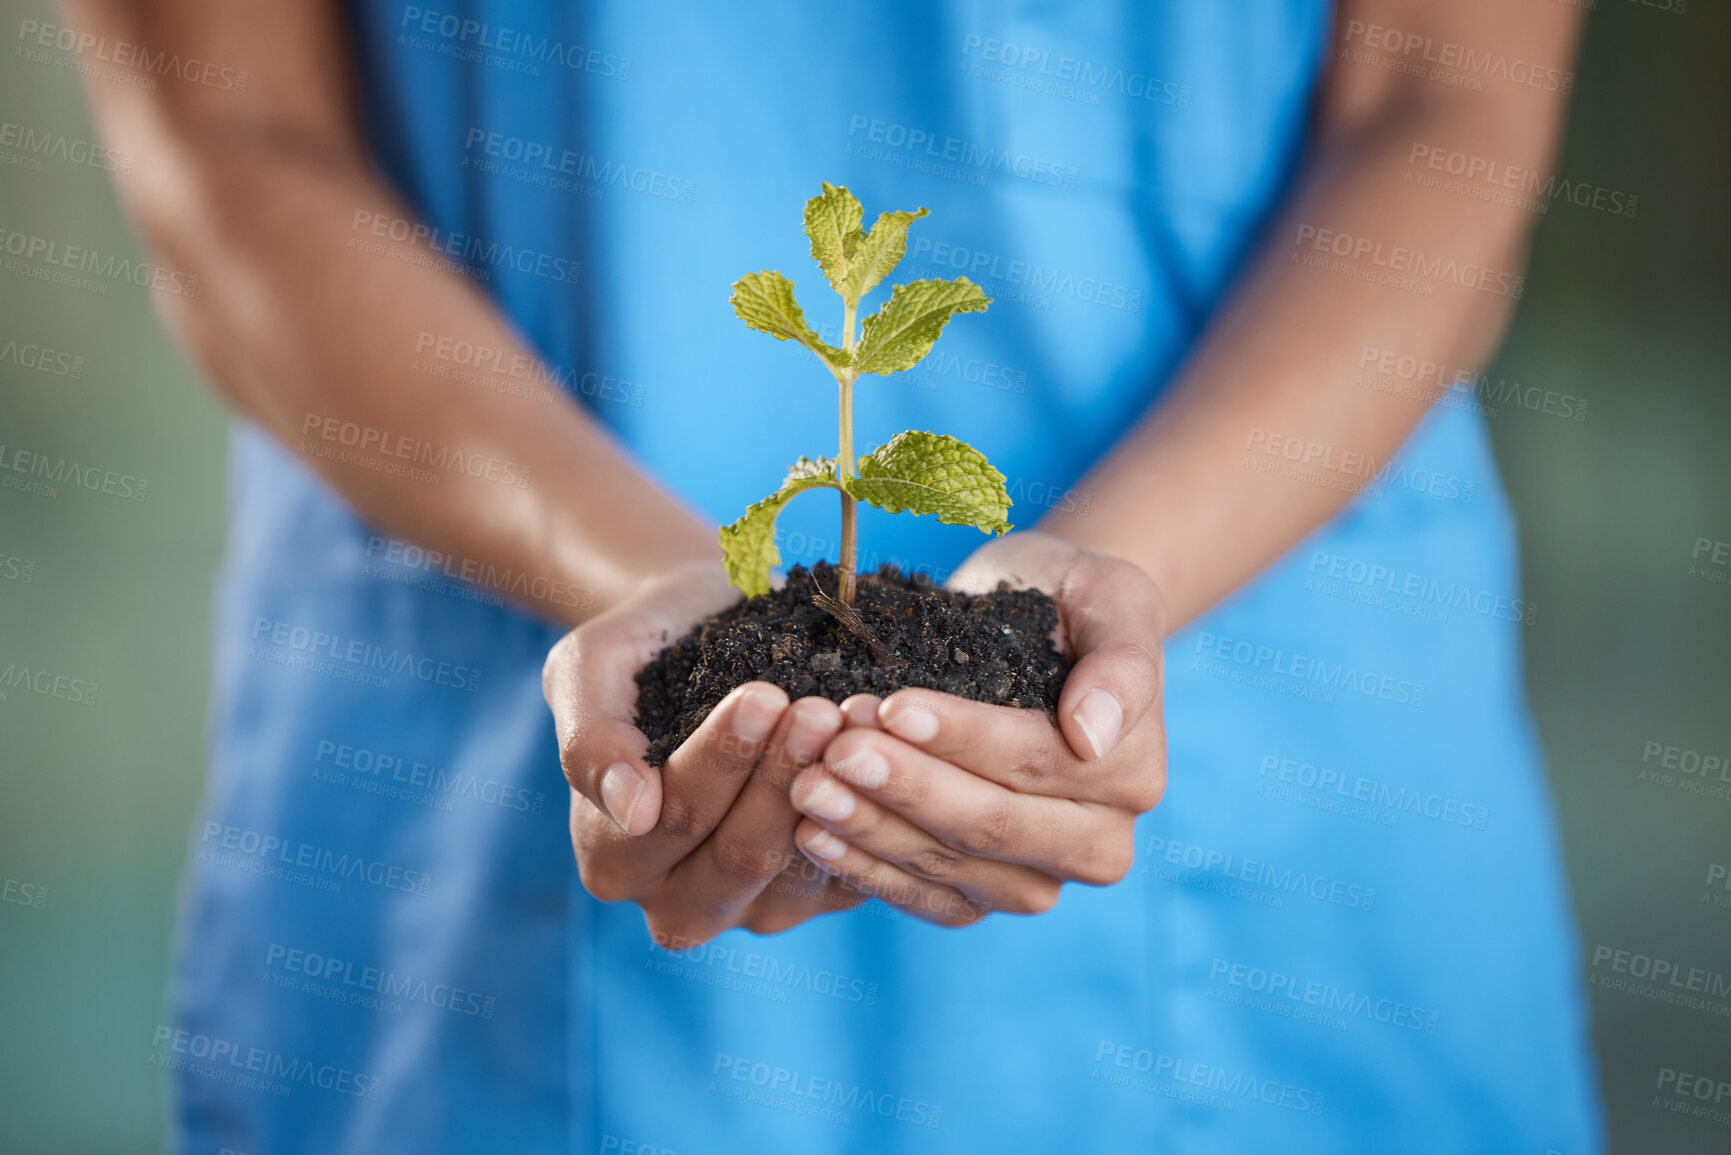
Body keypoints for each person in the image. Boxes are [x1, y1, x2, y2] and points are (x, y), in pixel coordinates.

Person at [72, 0, 1602, 1149]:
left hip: (1284, 736)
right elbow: (230, 135)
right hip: (491, 745)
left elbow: (1445, 99)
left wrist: (1115, 578)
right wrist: (669, 583)